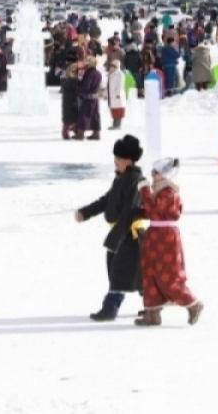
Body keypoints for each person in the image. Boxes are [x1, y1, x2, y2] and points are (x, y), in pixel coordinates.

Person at [75, 135, 145, 322]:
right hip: (120, 233)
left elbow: (130, 212)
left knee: (121, 272)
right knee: (136, 274)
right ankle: (152, 304)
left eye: (118, 159)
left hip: (129, 235)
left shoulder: (136, 181)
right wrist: (86, 212)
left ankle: (110, 308)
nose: (115, 162)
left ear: (128, 160)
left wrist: (116, 237)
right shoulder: (121, 179)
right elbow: (107, 200)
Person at [134, 157, 203, 327]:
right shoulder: (157, 191)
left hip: (166, 237)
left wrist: (143, 191)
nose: (152, 175)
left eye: (155, 173)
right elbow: (149, 211)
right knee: (149, 272)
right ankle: (152, 313)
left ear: (164, 175)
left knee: (167, 276)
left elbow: (154, 208)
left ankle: (192, 303)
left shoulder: (169, 193)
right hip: (154, 234)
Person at [76, 56, 103, 141]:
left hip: (88, 97)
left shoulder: (88, 73)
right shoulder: (98, 73)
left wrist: (78, 87)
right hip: (95, 96)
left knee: (84, 115)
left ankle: (80, 133)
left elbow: (86, 86)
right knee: (95, 115)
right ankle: (96, 133)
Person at [105, 59, 127, 131]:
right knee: (114, 110)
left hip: (117, 96)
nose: (111, 67)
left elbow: (120, 85)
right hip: (112, 95)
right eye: (111, 66)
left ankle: (117, 125)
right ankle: (114, 124)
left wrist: (118, 94)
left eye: (113, 66)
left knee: (118, 110)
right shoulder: (111, 74)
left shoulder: (120, 74)